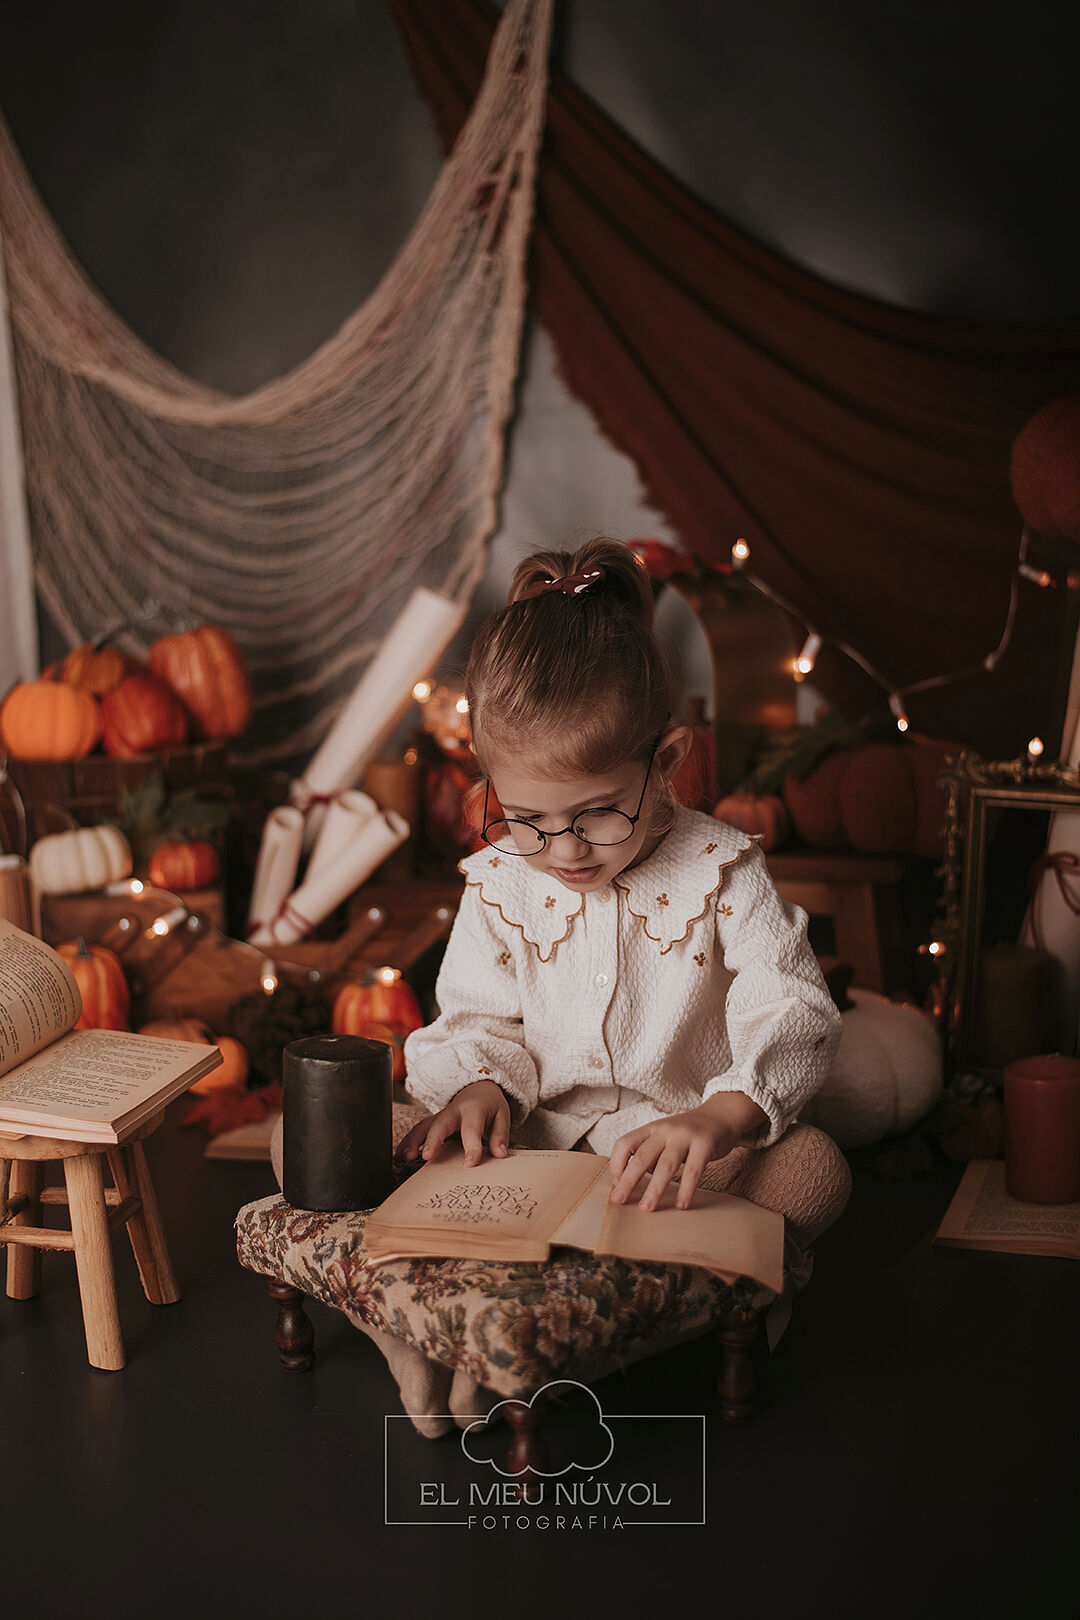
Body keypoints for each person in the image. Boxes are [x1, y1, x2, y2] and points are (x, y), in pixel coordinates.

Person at [400, 536, 844, 1215]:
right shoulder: (499, 881)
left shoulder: (724, 871)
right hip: (531, 1142)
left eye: (596, 814)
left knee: (811, 1173)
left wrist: (720, 1118)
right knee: (365, 1135)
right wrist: (481, 1089)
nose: (564, 852)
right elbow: (476, 1018)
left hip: (686, 1154)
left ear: (664, 761)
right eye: (526, 818)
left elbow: (792, 1007)